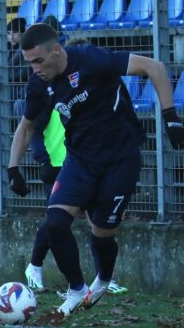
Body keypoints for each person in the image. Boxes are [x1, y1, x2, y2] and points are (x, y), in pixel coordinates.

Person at [8, 23, 184, 316]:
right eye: (29, 63)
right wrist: (13, 167)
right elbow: (26, 125)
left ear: (57, 50)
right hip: (79, 160)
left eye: (38, 60)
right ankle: (77, 289)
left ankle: (103, 278)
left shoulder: (92, 59)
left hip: (120, 159)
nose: (35, 68)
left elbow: (154, 67)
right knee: (54, 222)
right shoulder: (39, 84)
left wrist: (171, 116)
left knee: (102, 233)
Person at [25, 36, 129, 296]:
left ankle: (103, 278)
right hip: (58, 165)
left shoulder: (94, 88)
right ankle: (35, 265)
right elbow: (33, 129)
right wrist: (43, 160)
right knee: (55, 221)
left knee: (98, 221)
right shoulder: (49, 91)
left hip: (85, 162)